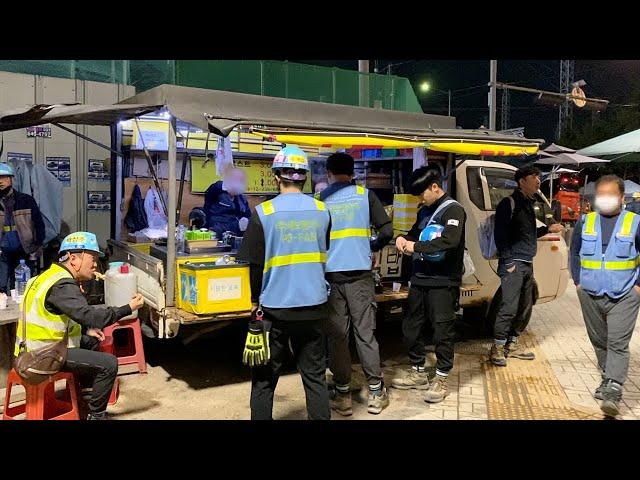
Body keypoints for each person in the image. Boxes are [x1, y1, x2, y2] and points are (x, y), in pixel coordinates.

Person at [237, 146, 332, 420]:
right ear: (304, 177)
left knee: (264, 380)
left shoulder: (264, 213)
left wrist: (255, 301)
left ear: (277, 176)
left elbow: (255, 267)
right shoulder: (322, 211)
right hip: (314, 306)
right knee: (315, 378)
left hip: (274, 310)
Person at [14, 231, 144, 420]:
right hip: (40, 358)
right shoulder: (62, 285)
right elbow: (92, 317)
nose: (95, 265)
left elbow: (60, 315)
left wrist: (85, 329)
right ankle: (96, 416)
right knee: (109, 364)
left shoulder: (44, 277)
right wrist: (128, 308)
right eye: (92, 258)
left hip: (33, 350)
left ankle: (84, 396)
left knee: (92, 340)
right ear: (74, 259)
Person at [319, 152, 394, 416]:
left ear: (328, 172)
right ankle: (375, 392)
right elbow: (387, 231)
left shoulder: (321, 200)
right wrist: (369, 245)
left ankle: (342, 396)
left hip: (331, 278)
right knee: (365, 334)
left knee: (338, 337)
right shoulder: (365, 196)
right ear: (353, 173)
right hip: (361, 277)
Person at [390, 166, 466, 403]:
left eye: (421, 194)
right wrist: (403, 238)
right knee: (411, 326)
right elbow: (414, 234)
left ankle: (442, 376)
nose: (420, 199)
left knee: (442, 330)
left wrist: (416, 247)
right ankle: (417, 371)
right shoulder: (425, 211)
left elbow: (450, 241)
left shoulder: (453, 209)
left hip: (443, 281)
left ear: (435, 186)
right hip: (419, 279)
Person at [571, 175, 640, 417]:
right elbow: (574, 251)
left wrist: (638, 286)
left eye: (611, 194)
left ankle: (613, 389)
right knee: (599, 341)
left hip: (624, 294)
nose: (605, 199)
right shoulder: (585, 221)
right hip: (589, 293)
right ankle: (605, 376)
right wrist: (578, 282)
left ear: (622, 197)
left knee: (617, 343)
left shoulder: (635, 222)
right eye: (601, 194)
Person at [489, 166, 564, 367]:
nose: (538, 181)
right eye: (534, 177)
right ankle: (497, 348)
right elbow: (500, 235)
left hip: (527, 263)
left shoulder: (529, 204)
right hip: (513, 263)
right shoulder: (509, 203)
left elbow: (529, 234)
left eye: (539, 177)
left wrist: (548, 229)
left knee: (524, 306)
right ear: (522, 181)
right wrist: (509, 261)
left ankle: (511, 345)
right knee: (508, 307)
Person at [0, 163, 45, 294]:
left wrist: (37, 244)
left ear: (11, 179)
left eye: (4, 177)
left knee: (22, 286)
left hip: (23, 249)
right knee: (1, 285)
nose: (0, 181)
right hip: (2, 251)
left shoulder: (26, 200)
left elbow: (38, 224)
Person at [203, 167, 252, 238]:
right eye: (235, 179)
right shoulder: (217, 191)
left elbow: (248, 216)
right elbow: (211, 191)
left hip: (235, 236)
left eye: (241, 180)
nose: (238, 183)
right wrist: (225, 186)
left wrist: (246, 221)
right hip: (216, 234)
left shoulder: (242, 199)